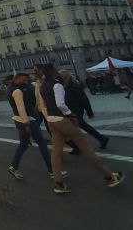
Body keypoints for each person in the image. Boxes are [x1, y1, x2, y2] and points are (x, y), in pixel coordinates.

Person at [38, 65, 123, 194]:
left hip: (51, 120)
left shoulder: (42, 86)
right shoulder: (57, 85)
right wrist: (70, 115)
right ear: (53, 72)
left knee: (56, 152)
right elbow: (60, 103)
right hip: (63, 120)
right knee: (85, 147)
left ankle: (59, 183)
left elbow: (43, 105)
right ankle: (109, 176)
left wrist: (48, 117)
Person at [6, 73, 64, 182]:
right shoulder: (17, 91)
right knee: (42, 144)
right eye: (23, 79)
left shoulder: (12, 88)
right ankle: (52, 171)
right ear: (16, 78)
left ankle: (13, 167)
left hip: (20, 120)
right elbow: (21, 108)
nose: (25, 82)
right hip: (27, 120)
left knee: (23, 145)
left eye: (26, 80)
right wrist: (26, 123)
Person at [59, 70, 109, 151]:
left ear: (65, 76)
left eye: (60, 75)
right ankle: (100, 139)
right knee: (78, 127)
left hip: (77, 109)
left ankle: (100, 139)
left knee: (81, 125)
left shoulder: (74, 85)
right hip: (71, 110)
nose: (59, 77)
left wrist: (89, 111)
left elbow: (84, 99)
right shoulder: (64, 85)